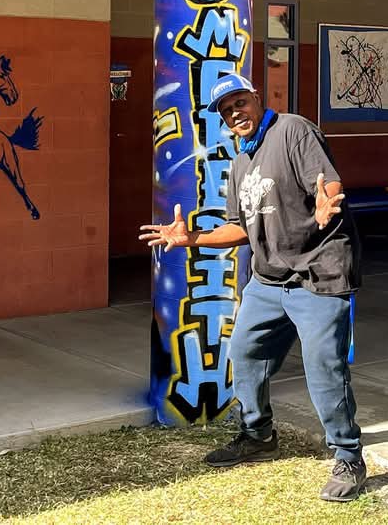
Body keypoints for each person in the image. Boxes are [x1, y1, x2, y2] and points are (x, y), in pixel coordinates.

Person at [140, 73, 365, 502]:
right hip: (268, 280)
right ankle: (258, 435)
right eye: (226, 111)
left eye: (239, 102)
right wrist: (192, 239)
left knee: (323, 368)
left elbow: (327, 183)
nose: (234, 113)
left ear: (256, 98)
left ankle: (348, 455)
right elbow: (237, 227)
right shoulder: (241, 163)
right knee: (244, 353)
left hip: (318, 274)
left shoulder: (293, 129)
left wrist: (325, 203)